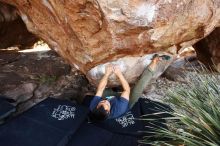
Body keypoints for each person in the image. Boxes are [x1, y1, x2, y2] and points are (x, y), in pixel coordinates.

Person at [89, 54, 172, 121]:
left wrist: (107, 74)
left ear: (97, 106)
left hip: (114, 98)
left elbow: (100, 89)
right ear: (108, 111)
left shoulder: (93, 106)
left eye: (102, 102)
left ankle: (117, 91)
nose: (105, 101)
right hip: (127, 102)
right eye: (107, 104)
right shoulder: (119, 109)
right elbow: (127, 90)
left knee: (101, 90)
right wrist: (119, 74)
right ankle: (155, 61)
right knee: (139, 86)